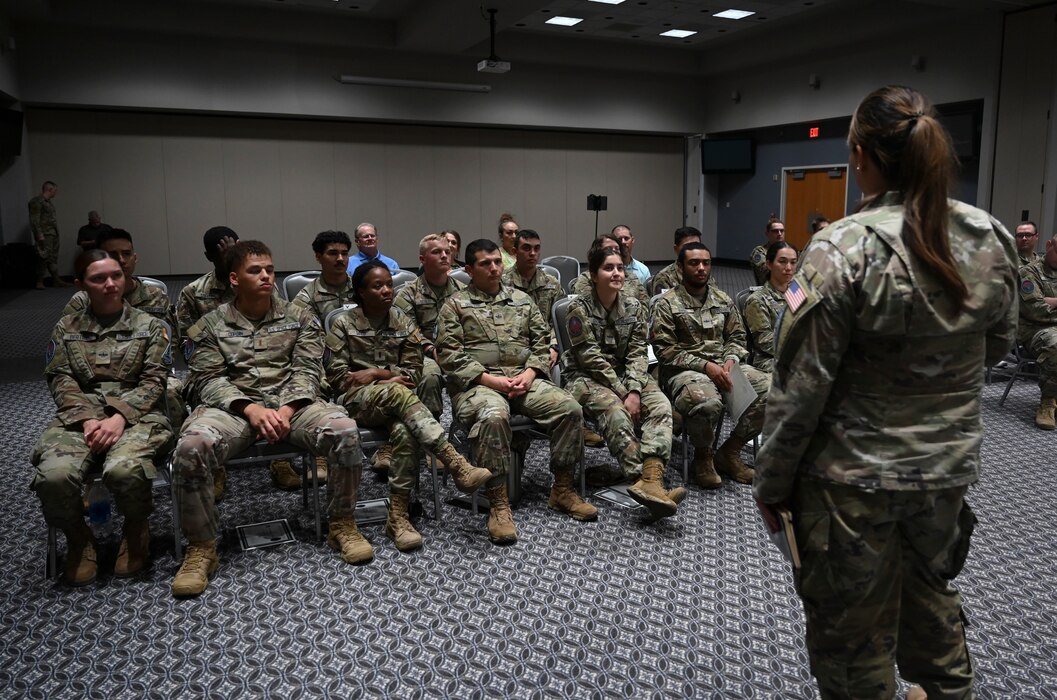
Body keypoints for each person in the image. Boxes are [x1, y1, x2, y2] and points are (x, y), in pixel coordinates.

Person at [754, 85, 1018, 700]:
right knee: (932, 608)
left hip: (852, 485)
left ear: (861, 154)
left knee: (853, 644)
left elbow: (801, 386)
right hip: (944, 473)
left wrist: (771, 483)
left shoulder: (841, 246)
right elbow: (998, 345)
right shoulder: (988, 236)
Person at [172, 240, 372, 597]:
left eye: (269, 269)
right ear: (234, 278)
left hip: (291, 406)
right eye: (255, 270)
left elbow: (309, 368)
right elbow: (206, 379)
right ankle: (202, 547)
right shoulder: (209, 325)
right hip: (233, 410)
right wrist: (250, 409)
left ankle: (341, 523)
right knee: (192, 446)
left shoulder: (300, 317)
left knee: (344, 429)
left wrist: (285, 409)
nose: (266, 276)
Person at [324, 261, 492, 551]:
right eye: (378, 286)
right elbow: (339, 379)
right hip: (356, 402)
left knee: (405, 432)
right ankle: (455, 461)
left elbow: (414, 372)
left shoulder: (402, 321)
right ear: (361, 292)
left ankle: (398, 516)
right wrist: (389, 378)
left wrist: (378, 373)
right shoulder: (343, 324)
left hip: (396, 402)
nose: (387, 290)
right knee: (397, 394)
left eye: (389, 284)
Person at [437, 239, 595, 543]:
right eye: (486, 263)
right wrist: (491, 381)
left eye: (497, 261)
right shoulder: (455, 306)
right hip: (478, 386)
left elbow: (542, 340)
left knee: (570, 408)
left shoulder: (522, 300)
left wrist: (531, 372)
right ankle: (498, 502)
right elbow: (449, 356)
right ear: (469, 269)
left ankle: (562, 489)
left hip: (524, 380)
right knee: (495, 417)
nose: (495, 268)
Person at [31, 249, 174, 585]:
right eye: (99, 278)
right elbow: (61, 378)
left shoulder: (151, 327)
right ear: (81, 285)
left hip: (139, 416)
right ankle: (79, 540)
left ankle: (136, 529)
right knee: (53, 477)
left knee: (125, 469)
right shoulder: (67, 328)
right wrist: (86, 420)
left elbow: (155, 380)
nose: (111, 284)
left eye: (116, 276)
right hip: (79, 417)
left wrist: (118, 416)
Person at [561, 246, 686, 519]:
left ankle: (651, 480)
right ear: (594, 275)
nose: (617, 273)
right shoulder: (577, 308)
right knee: (616, 413)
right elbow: (589, 358)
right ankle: (645, 481)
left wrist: (634, 389)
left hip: (628, 376)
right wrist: (623, 392)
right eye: (609, 268)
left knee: (662, 406)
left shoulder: (633, 306)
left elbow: (638, 353)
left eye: (620, 267)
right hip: (585, 378)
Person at [651, 242, 769, 488]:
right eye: (694, 263)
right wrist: (706, 367)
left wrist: (730, 360)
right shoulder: (667, 303)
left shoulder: (722, 299)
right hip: (685, 371)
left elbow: (737, 337)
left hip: (724, 365)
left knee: (774, 390)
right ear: (681, 267)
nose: (701, 268)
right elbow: (666, 351)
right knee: (705, 402)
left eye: (706, 263)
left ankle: (730, 451)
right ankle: (703, 457)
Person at [288, 229, 359, 486]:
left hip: (362, 356)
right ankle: (320, 453)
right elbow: (299, 337)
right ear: (318, 257)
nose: (340, 258)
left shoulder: (362, 287)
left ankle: (387, 447)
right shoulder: (306, 297)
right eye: (332, 253)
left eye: (344, 253)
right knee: (314, 383)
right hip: (323, 358)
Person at [394, 233, 465, 420]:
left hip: (459, 350)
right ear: (422, 259)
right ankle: (431, 429)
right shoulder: (408, 293)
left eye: (447, 252)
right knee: (430, 376)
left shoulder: (462, 291)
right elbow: (408, 329)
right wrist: (428, 347)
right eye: (437, 252)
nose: (444, 256)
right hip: (423, 353)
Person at [62, 228, 175, 332]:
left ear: (135, 258)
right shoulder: (83, 301)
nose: (121, 260)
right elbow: (64, 339)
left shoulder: (156, 297)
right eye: (112, 255)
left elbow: (172, 341)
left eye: (126, 254)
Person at [502, 228, 565, 367]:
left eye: (537, 248)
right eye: (526, 248)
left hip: (546, 345)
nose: (532, 253)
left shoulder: (551, 284)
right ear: (514, 252)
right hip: (511, 349)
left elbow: (559, 320)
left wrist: (555, 347)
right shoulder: (502, 282)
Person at [1017, 229, 1057, 429]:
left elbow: (1046, 304)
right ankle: (1047, 402)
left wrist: (1053, 302)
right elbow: (1036, 310)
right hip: (1035, 329)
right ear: (1049, 246)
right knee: (1055, 344)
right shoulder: (1029, 272)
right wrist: (1047, 303)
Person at [743, 241, 798, 373]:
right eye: (783, 261)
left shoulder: (796, 290)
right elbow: (765, 341)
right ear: (769, 264)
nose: (789, 267)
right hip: (769, 359)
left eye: (793, 262)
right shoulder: (757, 300)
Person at [571, 233, 649, 305]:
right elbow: (584, 303)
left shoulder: (632, 277)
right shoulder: (587, 278)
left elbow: (645, 304)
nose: (614, 251)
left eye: (617, 248)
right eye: (609, 249)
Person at [30, 180, 70, 289]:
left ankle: (56, 280)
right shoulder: (37, 202)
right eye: (55, 191)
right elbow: (34, 220)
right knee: (43, 256)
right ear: (50, 189)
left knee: (52, 257)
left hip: (52, 234)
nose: (55, 193)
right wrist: (39, 235)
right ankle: (39, 281)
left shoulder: (48, 202)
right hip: (45, 234)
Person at [646, 227, 702, 297]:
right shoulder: (664, 278)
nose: (693, 250)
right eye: (687, 246)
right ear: (676, 249)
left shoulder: (703, 273)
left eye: (697, 245)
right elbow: (663, 306)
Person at [749, 216, 786, 285]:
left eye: (782, 231)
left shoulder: (788, 250)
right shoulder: (759, 251)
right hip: (767, 291)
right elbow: (768, 273)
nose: (779, 234)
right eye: (775, 231)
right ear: (767, 234)